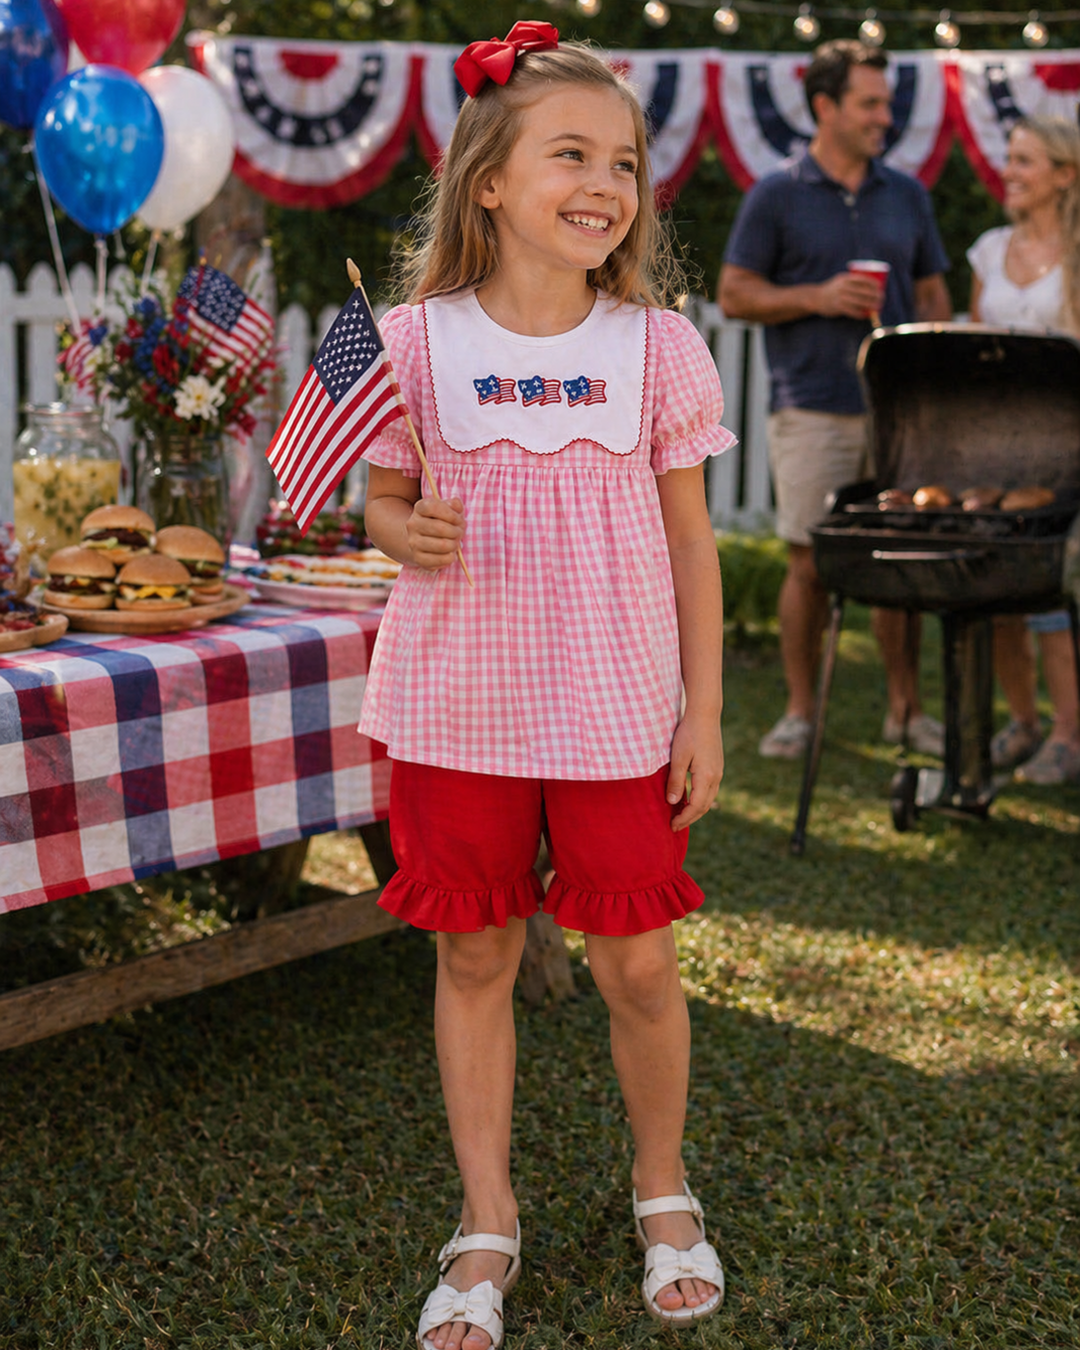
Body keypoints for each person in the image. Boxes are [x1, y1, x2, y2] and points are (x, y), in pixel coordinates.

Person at [356, 25, 731, 1350]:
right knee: (476, 948)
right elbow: (375, 493)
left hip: (617, 705)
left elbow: (693, 540)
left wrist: (707, 706)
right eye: (570, 152)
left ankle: (661, 1183)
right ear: (491, 181)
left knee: (635, 958)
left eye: (622, 160)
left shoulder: (659, 348)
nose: (605, 182)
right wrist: (395, 524)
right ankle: (485, 1210)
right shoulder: (404, 340)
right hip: (462, 701)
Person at [718, 40, 953, 760]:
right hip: (811, 403)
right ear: (827, 107)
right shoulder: (777, 193)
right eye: (871, 103)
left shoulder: (907, 194)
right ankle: (799, 713)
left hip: (898, 413)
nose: (885, 117)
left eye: (886, 103)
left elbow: (936, 293)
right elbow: (734, 294)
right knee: (808, 562)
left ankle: (906, 712)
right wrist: (816, 296)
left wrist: (931, 355)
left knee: (901, 558)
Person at [968, 115, 1080, 785]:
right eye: (1010, 158)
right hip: (995, 445)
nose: (1011, 171)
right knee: (999, 585)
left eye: (1027, 161)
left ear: (1065, 175)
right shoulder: (988, 250)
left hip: (1066, 446)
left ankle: (1069, 733)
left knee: (1053, 587)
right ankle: (1024, 721)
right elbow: (978, 345)